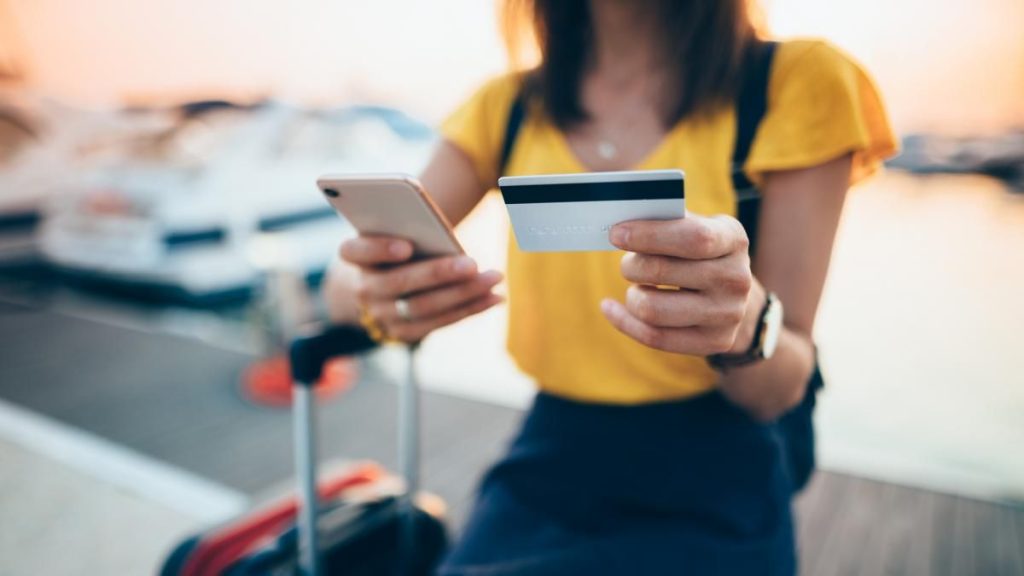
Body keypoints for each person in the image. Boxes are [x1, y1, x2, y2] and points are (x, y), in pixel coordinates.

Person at [325, 0, 897, 573]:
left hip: (719, 463)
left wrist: (743, 319)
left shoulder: (795, 82)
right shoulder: (508, 107)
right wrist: (376, 284)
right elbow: (343, 283)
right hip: (554, 451)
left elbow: (777, 387)